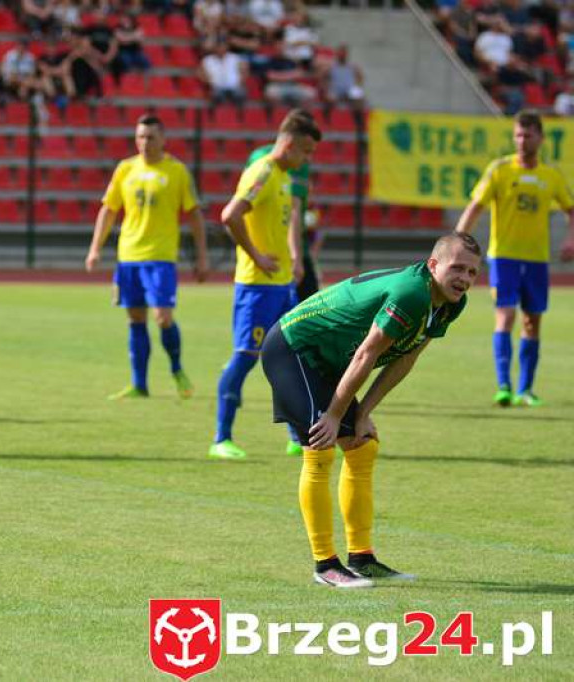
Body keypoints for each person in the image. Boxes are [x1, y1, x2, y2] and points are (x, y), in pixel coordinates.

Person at [260, 232, 481, 587]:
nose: (464, 278)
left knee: (362, 447)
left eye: (472, 272)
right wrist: (334, 415)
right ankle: (325, 566)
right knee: (320, 447)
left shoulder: (451, 303)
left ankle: (362, 559)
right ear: (433, 265)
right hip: (294, 348)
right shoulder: (411, 294)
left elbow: (405, 358)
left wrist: (363, 413)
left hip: (331, 361)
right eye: (457, 268)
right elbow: (367, 353)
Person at [209, 111, 320, 460]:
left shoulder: (284, 177)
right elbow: (230, 215)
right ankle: (221, 438)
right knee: (246, 357)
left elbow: (283, 224)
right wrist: (256, 256)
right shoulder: (263, 172)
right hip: (257, 286)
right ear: (288, 144)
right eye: (305, 151)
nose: (307, 159)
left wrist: (293, 259)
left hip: (282, 283)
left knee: (289, 357)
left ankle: (295, 436)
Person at [455, 110, 574, 407]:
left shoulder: (551, 175)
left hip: (536, 260)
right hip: (503, 257)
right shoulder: (500, 169)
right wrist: (457, 241)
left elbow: (570, 210)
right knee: (506, 316)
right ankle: (504, 386)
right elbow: (475, 206)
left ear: (540, 138)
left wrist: (570, 239)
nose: (522, 140)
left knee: (532, 322)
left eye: (528, 135)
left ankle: (526, 389)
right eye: (518, 135)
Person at [85, 114, 209, 400]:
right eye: (140, 136)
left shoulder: (177, 171)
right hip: (128, 256)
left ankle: (177, 369)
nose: (144, 142)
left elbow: (194, 215)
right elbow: (109, 210)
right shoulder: (125, 168)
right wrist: (95, 248)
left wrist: (202, 257)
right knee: (135, 318)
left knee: (163, 317)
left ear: (163, 139)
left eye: (151, 137)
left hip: (160, 257)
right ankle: (139, 384)